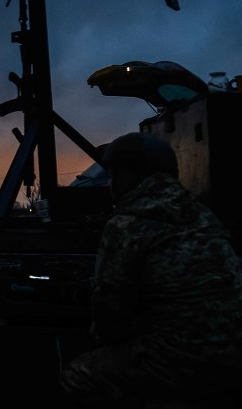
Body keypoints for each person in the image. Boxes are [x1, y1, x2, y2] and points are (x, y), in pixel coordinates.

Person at [60, 132, 242, 407]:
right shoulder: (204, 216)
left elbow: (111, 320)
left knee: (76, 376)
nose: (111, 183)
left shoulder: (125, 226)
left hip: (179, 362)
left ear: (130, 176)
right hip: (232, 355)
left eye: (116, 174)